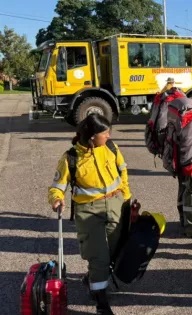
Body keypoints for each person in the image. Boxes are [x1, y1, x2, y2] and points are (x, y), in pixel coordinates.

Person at [48, 113, 131, 315]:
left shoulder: (111, 148)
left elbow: (123, 173)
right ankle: (101, 302)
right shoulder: (70, 158)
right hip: (88, 211)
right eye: (105, 133)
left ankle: (91, 279)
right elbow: (57, 187)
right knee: (98, 256)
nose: (109, 136)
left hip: (115, 204)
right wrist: (56, 199)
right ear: (92, 136)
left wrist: (127, 199)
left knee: (116, 249)